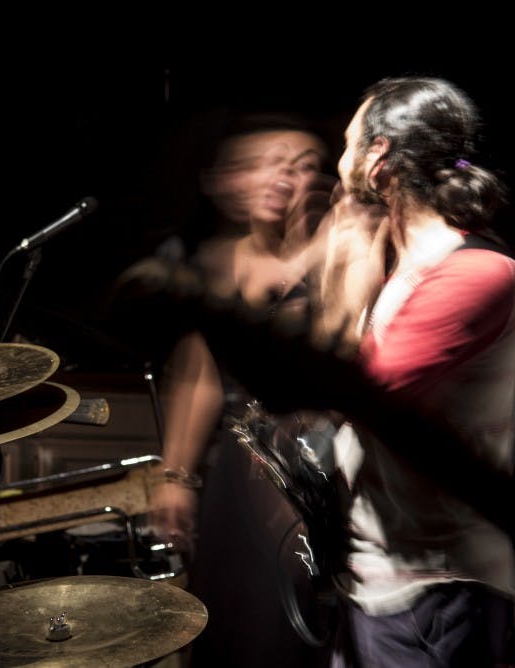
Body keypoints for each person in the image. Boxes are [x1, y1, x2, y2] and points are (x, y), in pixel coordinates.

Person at [308, 76, 515, 667]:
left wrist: (343, 271)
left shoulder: (477, 275)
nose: (338, 161)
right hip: (377, 583)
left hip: (436, 589)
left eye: (348, 142)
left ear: (378, 156)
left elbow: (350, 392)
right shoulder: (401, 279)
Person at [149, 111, 341, 667]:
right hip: (237, 465)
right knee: (228, 618)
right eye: (264, 165)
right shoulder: (222, 260)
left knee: (289, 623)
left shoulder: (337, 254)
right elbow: (200, 375)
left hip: (308, 470)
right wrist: (176, 475)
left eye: (301, 166)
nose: (280, 178)